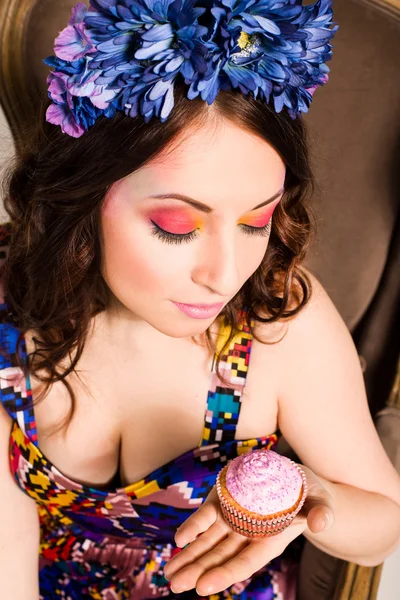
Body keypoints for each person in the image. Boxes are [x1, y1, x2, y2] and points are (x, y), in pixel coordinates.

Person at [0, 1, 399, 599]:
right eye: (176, 227)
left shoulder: (279, 319)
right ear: (81, 198)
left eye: (254, 221)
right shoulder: (11, 315)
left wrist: (314, 502)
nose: (226, 275)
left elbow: (383, 527)